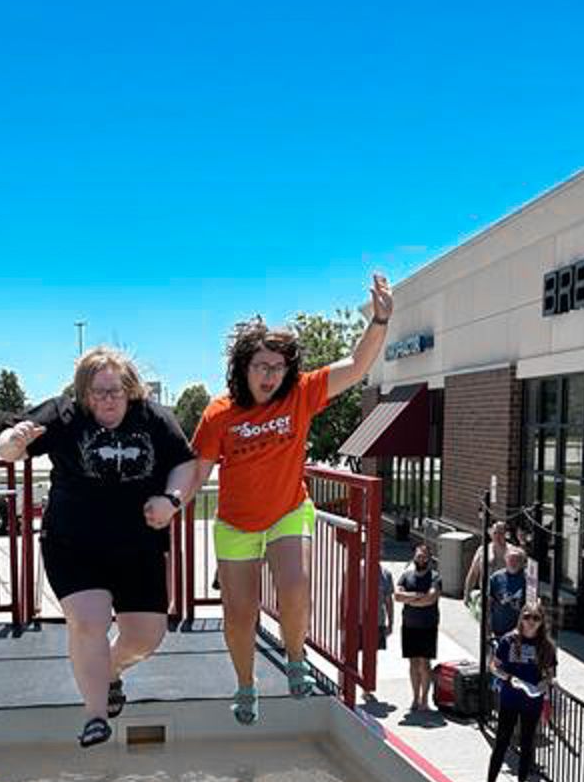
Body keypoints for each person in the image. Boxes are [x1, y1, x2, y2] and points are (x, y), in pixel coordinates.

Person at [188, 272, 394, 724]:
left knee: (295, 584)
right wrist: (171, 500)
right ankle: (246, 685)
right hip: (237, 523)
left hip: (287, 510)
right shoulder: (219, 413)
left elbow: (357, 367)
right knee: (239, 615)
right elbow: (198, 469)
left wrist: (379, 320)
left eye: (278, 368)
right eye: (261, 366)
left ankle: (296, 658)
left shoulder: (300, 394)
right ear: (243, 367)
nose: (270, 375)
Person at [0, 348, 199, 748]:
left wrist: (172, 500)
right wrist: (14, 440)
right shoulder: (64, 415)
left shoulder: (154, 418)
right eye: (98, 392)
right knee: (89, 621)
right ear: (84, 394)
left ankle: (111, 670)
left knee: (146, 637)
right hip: (73, 544)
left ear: (130, 390)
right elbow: (8, 448)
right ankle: (94, 714)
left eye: (116, 391)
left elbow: (185, 463)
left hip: (138, 546)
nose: (108, 399)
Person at [478, 601, 556, 782]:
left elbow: (550, 674)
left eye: (536, 618)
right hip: (511, 698)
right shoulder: (509, 640)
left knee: (527, 742)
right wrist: (507, 677)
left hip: (532, 700)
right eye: (527, 616)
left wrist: (544, 683)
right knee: (502, 740)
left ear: (541, 622)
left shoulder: (546, 647)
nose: (531, 622)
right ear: (521, 618)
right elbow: (494, 665)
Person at [395, 541, 441, 710]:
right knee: (413, 663)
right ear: (414, 557)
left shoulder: (435, 577)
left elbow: (431, 599)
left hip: (428, 626)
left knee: (425, 664)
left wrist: (410, 600)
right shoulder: (406, 575)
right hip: (409, 626)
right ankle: (415, 698)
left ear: (429, 558)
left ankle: (424, 700)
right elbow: (397, 596)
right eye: (418, 556)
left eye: (424, 556)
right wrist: (416, 596)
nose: (421, 559)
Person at [487, 543, 527, 639]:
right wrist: (487, 627)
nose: (513, 563)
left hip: (519, 631)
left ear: (522, 562)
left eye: (516, 560)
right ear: (506, 560)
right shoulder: (496, 578)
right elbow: (488, 602)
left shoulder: (527, 579)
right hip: (499, 628)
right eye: (510, 559)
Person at [464, 520, 509, 601]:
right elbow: (473, 573)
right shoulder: (483, 550)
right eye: (495, 533)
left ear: (506, 535)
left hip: (504, 596)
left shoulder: (511, 551)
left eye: (501, 533)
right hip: (485, 595)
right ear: (490, 533)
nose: (497, 536)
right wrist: (467, 593)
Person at [377, 565, 395, 651]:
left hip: (378, 621)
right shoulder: (356, 570)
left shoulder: (386, 574)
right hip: (358, 622)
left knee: (374, 653)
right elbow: (344, 595)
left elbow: (389, 601)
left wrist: (391, 623)